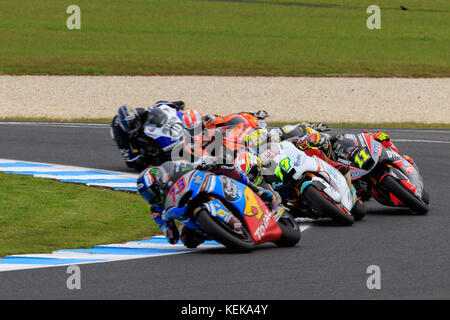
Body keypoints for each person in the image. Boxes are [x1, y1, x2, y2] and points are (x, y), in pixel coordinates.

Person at [137, 157, 281, 248]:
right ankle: (222, 231)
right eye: (147, 196)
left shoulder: (174, 168)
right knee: (187, 240)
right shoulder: (156, 211)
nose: (151, 198)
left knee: (224, 166)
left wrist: (203, 162)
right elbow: (172, 238)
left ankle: (256, 190)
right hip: (192, 217)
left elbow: (190, 165)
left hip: (200, 187)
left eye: (151, 192)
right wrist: (166, 221)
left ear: (160, 181)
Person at [111, 101, 186, 169]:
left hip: (139, 127)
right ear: (122, 124)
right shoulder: (119, 133)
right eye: (128, 124)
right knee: (134, 163)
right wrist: (131, 157)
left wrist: (174, 104)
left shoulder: (139, 113)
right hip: (126, 136)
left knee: (149, 129)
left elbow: (158, 105)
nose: (132, 125)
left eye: (133, 122)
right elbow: (126, 154)